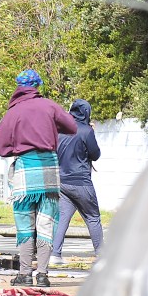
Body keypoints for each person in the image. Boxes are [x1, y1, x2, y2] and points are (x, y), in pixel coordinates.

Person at [0, 69, 77, 288]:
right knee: (46, 222)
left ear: (19, 87)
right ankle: (42, 275)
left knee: (25, 223)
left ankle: (24, 274)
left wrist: (17, 148)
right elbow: (72, 127)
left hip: (25, 171)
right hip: (49, 169)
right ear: (37, 86)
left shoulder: (14, 111)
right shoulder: (49, 106)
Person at [52, 99, 103, 264]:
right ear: (87, 113)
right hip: (81, 182)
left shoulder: (59, 130)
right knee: (93, 217)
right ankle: (102, 256)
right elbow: (95, 154)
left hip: (62, 182)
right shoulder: (86, 131)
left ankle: (55, 254)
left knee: (63, 218)